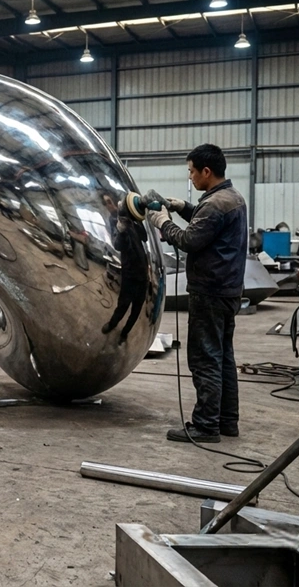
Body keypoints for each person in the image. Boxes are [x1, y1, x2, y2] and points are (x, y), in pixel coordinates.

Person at [146, 144, 247, 444]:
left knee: (205, 359)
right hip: (228, 291)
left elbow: (190, 240)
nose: (190, 177)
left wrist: (163, 222)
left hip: (210, 293)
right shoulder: (232, 198)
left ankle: (205, 425)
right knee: (223, 358)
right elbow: (209, 229)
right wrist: (185, 208)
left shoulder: (215, 205)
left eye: (191, 171)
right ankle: (227, 421)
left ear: (206, 171)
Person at [102, 200, 149, 344]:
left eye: (112, 202)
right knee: (123, 304)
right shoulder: (116, 222)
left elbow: (145, 237)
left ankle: (125, 333)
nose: (112, 205)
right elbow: (117, 245)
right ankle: (112, 324)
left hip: (142, 274)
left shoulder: (134, 221)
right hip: (129, 274)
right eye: (107, 203)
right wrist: (121, 231)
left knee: (136, 309)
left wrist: (138, 220)